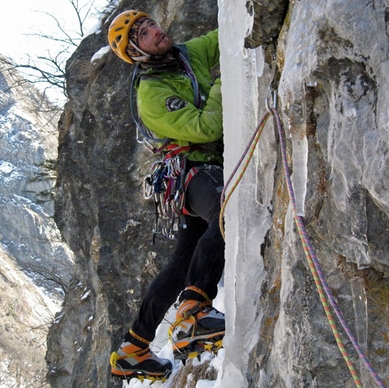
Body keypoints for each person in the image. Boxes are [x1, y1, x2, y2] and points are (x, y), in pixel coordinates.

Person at [107, 10, 225, 382]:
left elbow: (228, 33)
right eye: (142, 34)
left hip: (201, 170)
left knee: (182, 261)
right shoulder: (152, 94)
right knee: (228, 213)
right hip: (191, 172)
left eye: (151, 25)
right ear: (137, 53)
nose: (155, 32)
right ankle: (194, 309)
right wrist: (225, 83)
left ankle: (134, 346)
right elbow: (207, 127)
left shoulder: (188, 55)